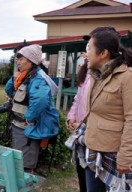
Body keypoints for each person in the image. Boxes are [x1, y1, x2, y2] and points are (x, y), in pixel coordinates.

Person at [83, 27, 132, 191]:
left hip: (114, 154)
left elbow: (131, 118)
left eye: (89, 48)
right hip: (93, 148)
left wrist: (126, 156)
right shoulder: (96, 75)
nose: (86, 53)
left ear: (103, 53)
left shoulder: (127, 77)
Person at [4, 44, 59, 173]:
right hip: (19, 125)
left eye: (21, 59)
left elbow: (40, 100)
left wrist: (29, 117)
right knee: (19, 160)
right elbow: (8, 90)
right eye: (17, 59)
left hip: (27, 127)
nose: (17, 62)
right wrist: (15, 77)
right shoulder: (25, 76)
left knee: (25, 164)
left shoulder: (38, 79)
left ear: (31, 61)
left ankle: (24, 185)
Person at [66, 53, 90, 192]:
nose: (86, 55)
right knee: (82, 174)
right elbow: (77, 100)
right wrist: (71, 117)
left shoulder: (103, 77)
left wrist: (80, 123)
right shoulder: (86, 74)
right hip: (80, 135)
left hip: (92, 135)